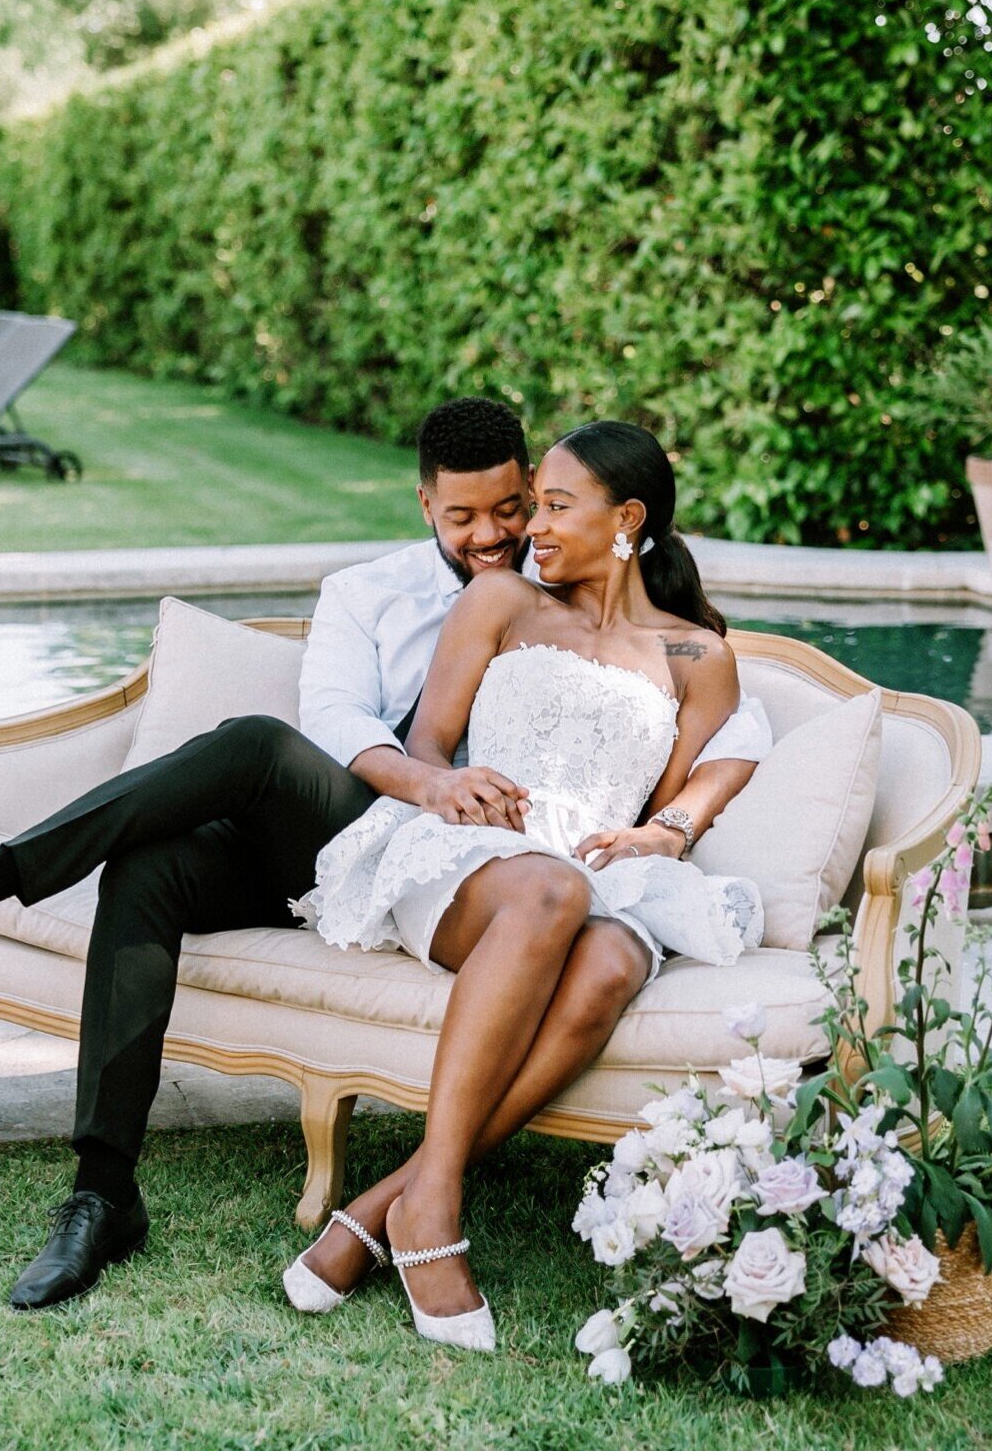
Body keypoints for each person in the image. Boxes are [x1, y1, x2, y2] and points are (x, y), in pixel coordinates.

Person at [0, 398, 771, 1310]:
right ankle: (101, 1192)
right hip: (370, 826)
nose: (499, 534)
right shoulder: (394, 596)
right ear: (425, 506)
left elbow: (725, 729)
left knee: (223, 795)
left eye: (521, 508)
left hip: (475, 857)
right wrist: (435, 785)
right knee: (187, 826)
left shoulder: (661, 638)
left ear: (563, 499)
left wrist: (675, 822)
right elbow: (336, 728)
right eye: (466, 516)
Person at [285, 420, 758, 1354]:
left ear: (626, 520)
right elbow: (427, 744)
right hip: (466, 857)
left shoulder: (697, 655)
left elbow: (694, 781)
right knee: (548, 893)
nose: (523, 527)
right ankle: (437, 1214)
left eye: (551, 505)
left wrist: (661, 831)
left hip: (588, 878)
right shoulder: (499, 601)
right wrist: (450, 784)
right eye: (528, 504)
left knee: (617, 955)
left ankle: (394, 1202)